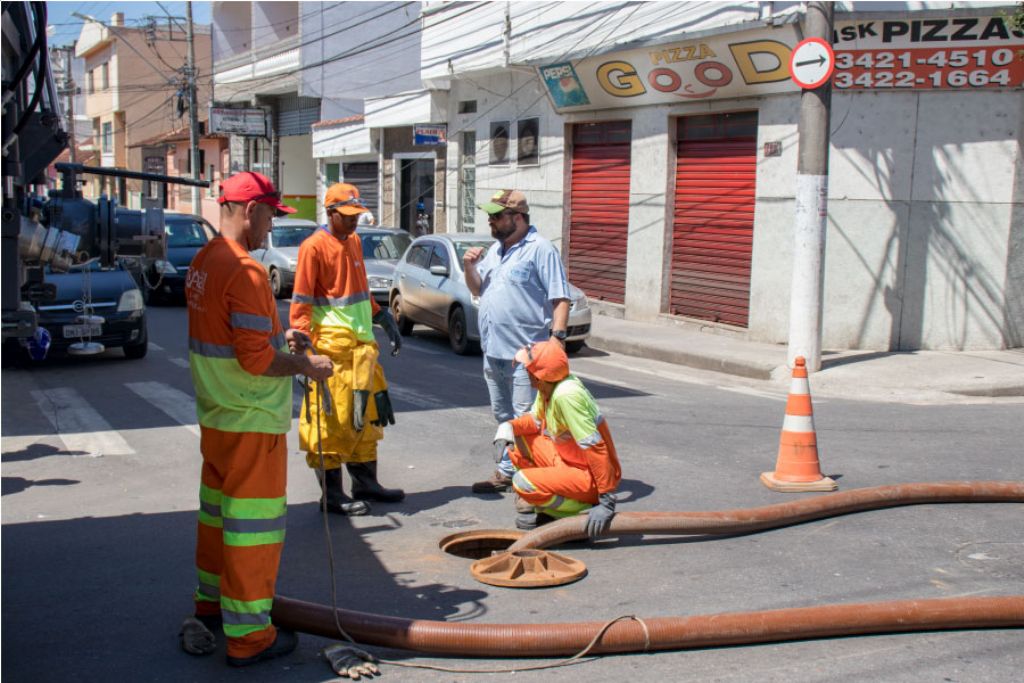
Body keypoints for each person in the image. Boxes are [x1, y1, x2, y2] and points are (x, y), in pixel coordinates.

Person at [182, 171, 334, 666]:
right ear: (250, 210)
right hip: (252, 419)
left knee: (217, 519)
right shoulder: (246, 272)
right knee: (253, 530)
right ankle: (249, 636)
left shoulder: (203, 261)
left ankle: (210, 605)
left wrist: (280, 343)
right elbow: (254, 361)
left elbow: (234, 341)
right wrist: (305, 365)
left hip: (218, 417)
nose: (271, 226)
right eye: (270, 214)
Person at [290, 182, 405, 516]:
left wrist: (382, 316)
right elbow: (301, 303)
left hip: (361, 349)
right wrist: (303, 357)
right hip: (331, 350)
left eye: (357, 214)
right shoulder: (313, 248)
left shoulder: (354, 241)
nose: (355, 221)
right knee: (330, 423)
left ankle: (366, 483)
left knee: (366, 419)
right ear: (330, 213)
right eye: (348, 215)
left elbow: (358, 290)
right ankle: (332, 495)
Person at [463, 189, 571, 494]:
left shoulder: (540, 249)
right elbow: (478, 289)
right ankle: (511, 469)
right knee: (504, 417)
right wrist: (469, 267)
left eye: (496, 216)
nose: (490, 221)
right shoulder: (495, 251)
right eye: (490, 216)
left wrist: (557, 341)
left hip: (527, 356)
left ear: (518, 218)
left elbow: (561, 298)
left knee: (527, 419)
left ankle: (531, 476)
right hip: (493, 352)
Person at [497, 340, 621, 533]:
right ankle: (549, 499)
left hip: (588, 476)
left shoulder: (566, 396)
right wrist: (507, 428)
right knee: (517, 441)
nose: (525, 372)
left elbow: (594, 447)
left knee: (521, 481)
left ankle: (572, 513)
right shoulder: (547, 386)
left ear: (539, 375)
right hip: (569, 461)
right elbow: (534, 422)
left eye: (528, 368)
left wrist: (606, 501)